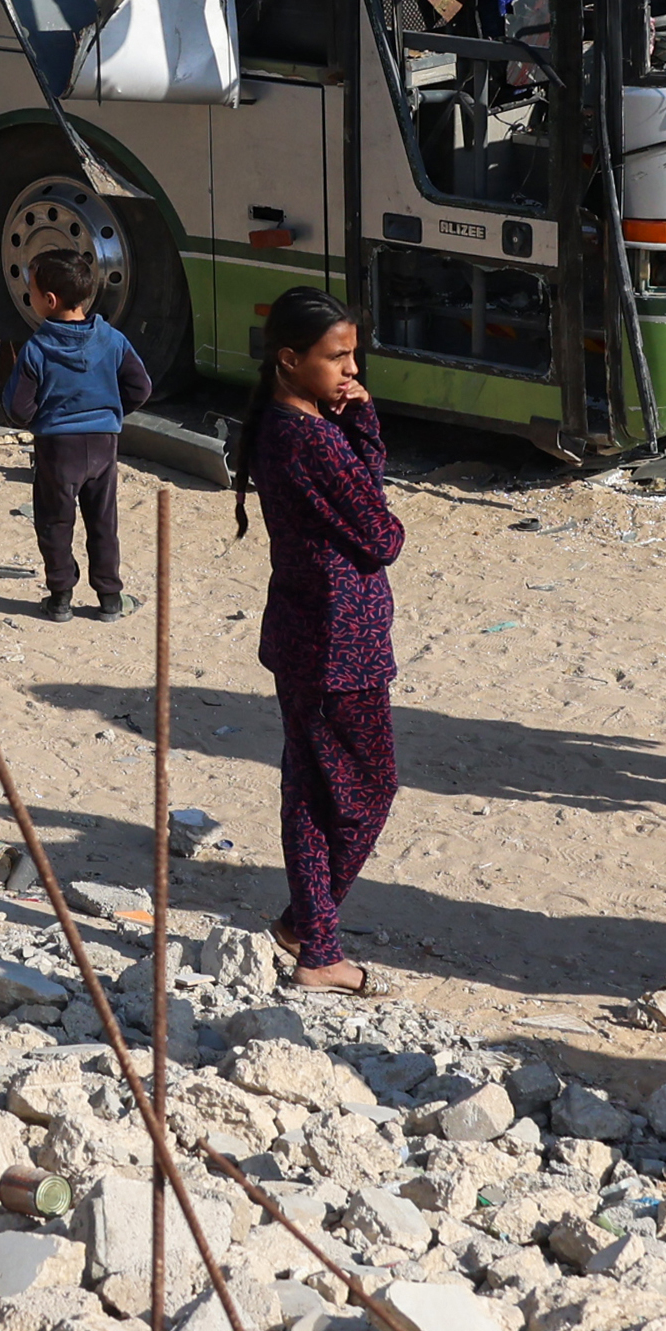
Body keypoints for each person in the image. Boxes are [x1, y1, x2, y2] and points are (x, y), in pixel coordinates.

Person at [238, 288, 404, 992]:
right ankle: (316, 939)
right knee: (368, 791)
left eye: (352, 355)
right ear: (289, 359)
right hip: (343, 643)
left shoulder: (284, 427)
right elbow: (384, 534)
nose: (351, 369)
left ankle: (309, 933)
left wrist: (356, 423)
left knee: (310, 790)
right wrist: (362, 424)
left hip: (303, 631)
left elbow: (361, 500)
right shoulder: (308, 438)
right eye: (336, 357)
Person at [6, 243, 154, 620]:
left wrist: (45, 416)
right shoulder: (112, 340)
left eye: (33, 292)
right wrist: (109, 409)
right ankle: (109, 599)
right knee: (103, 522)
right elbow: (141, 388)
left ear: (50, 300)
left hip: (57, 449)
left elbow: (18, 409)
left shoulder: (36, 348)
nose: (31, 298)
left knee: (55, 522)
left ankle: (60, 599)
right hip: (104, 445)